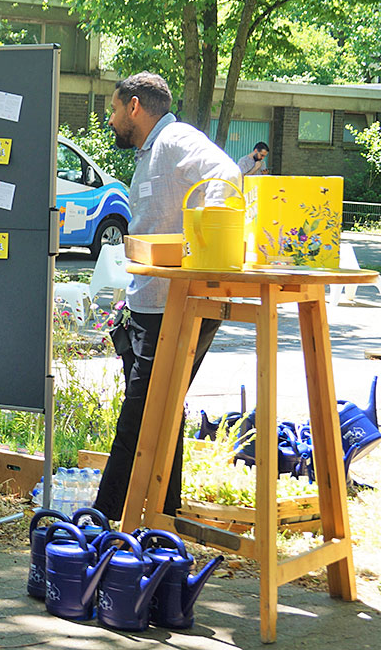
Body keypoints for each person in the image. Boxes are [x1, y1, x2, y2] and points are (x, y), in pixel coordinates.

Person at [92, 72, 241, 522]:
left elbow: (227, 175)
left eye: (115, 109)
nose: (111, 118)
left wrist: (205, 257)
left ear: (134, 105)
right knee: (163, 413)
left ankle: (101, 521)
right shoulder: (149, 153)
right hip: (149, 306)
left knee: (139, 417)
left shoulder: (175, 139)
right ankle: (166, 517)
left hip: (180, 307)